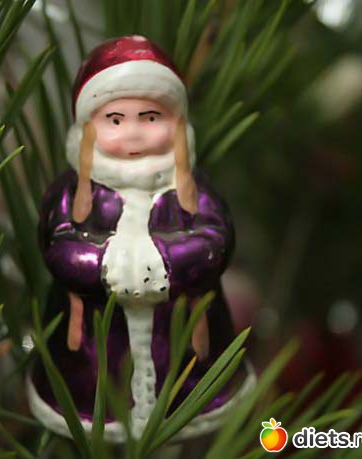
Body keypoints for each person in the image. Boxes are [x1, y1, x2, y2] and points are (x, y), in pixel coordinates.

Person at [27, 35, 255, 442]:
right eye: (115, 120)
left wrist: (162, 261)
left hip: (183, 347)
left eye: (150, 118)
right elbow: (58, 244)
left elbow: (216, 240)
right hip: (95, 353)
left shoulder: (190, 188)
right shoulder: (74, 192)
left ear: (175, 123)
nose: (133, 133)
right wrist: (106, 265)